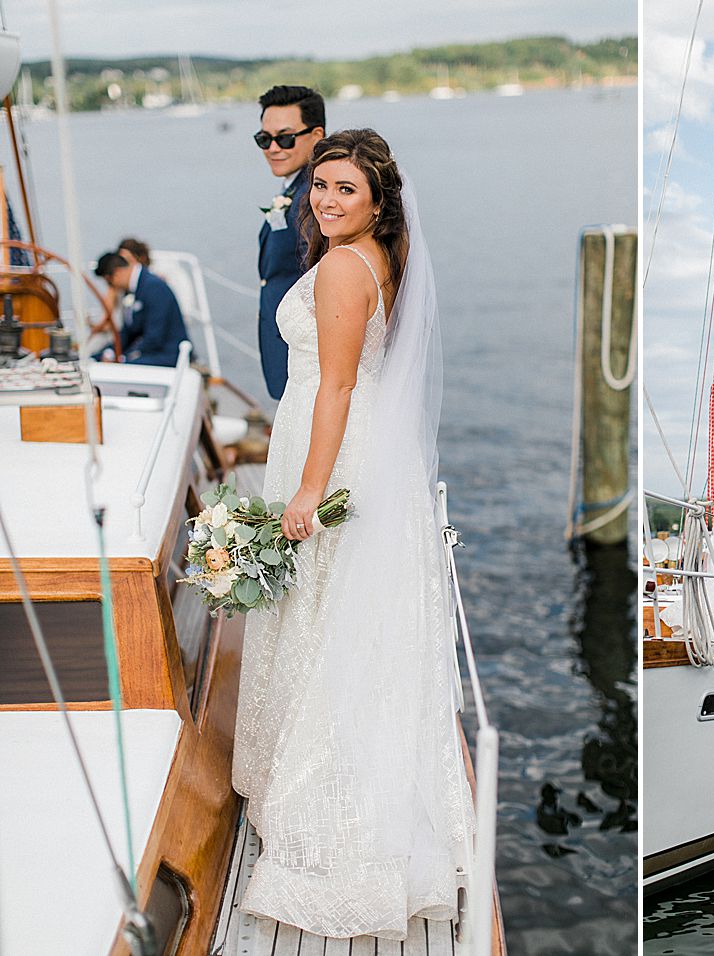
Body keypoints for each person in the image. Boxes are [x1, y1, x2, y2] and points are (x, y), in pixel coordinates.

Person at [231, 129, 473, 940]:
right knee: (354, 616)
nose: (326, 201)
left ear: (376, 201)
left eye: (345, 191)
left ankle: (325, 807)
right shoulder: (383, 255)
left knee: (325, 607)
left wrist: (307, 488)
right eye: (321, 186)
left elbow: (334, 383)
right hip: (375, 444)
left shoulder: (340, 264)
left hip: (333, 443)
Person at [255, 84, 326, 400]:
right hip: (287, 355)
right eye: (263, 139)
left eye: (284, 137)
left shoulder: (316, 197)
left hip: (307, 363)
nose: (273, 147)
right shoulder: (293, 190)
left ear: (316, 136)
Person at [92, 251, 190, 366]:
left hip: (165, 355)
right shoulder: (132, 291)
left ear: (117, 273)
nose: (112, 287)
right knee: (94, 361)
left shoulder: (154, 287)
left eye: (109, 282)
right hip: (149, 352)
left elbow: (155, 337)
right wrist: (109, 353)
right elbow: (128, 332)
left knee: (115, 369)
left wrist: (123, 358)